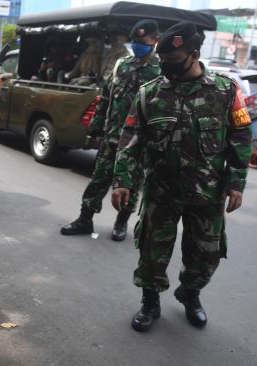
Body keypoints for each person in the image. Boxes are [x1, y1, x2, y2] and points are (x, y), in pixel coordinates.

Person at [112, 22, 253, 332]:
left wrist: (236, 182)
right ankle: (150, 301)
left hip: (208, 193)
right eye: (163, 61)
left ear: (194, 54)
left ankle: (190, 294)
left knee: (206, 256)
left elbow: (241, 136)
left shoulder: (226, 91)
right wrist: (122, 180)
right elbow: (130, 138)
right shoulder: (150, 93)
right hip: (161, 191)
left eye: (173, 61)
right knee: (152, 253)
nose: (166, 68)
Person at [61, 20, 161, 241]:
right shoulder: (121, 65)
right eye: (134, 42)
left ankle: (121, 223)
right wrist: (96, 128)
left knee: (130, 185)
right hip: (112, 136)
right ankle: (85, 219)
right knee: (98, 180)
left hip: (137, 143)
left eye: (142, 42)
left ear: (155, 40)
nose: (137, 46)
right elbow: (106, 98)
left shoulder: (160, 72)